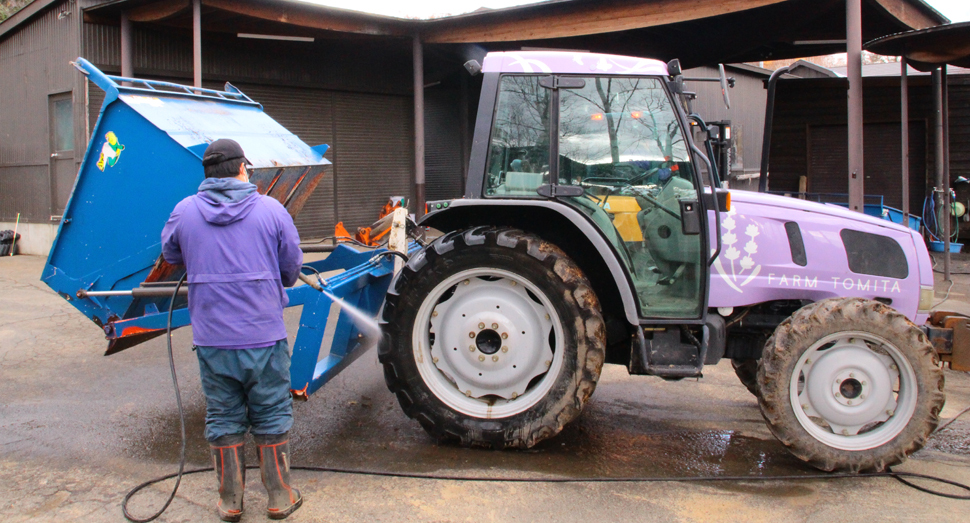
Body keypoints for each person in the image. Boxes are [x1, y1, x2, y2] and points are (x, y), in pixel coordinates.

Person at [161, 139, 304, 521]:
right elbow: (291, 267)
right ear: (243, 168)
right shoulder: (271, 210)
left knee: (223, 415)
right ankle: (279, 496)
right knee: (272, 411)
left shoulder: (184, 212)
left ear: (207, 173)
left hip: (212, 339)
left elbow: (171, 255)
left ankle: (230, 501)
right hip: (265, 336)